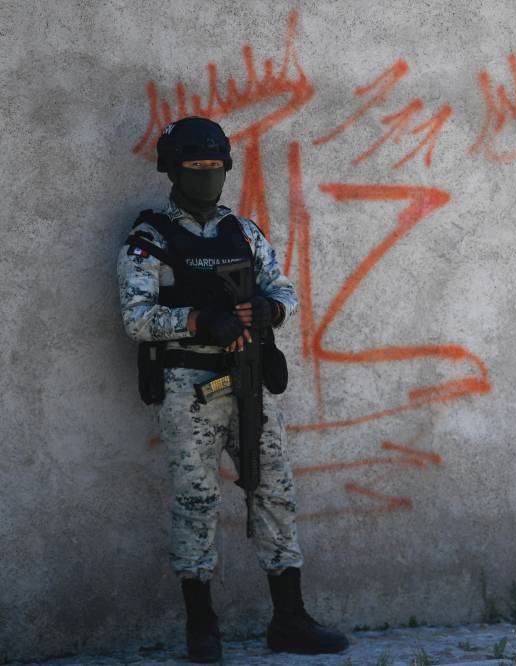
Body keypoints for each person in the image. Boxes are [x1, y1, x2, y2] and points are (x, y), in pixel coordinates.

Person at [117, 116, 349, 663]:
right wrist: (197, 321)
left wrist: (269, 309)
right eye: (194, 166)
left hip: (249, 381)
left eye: (214, 165)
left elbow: (283, 287)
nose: (205, 174)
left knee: (274, 493)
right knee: (196, 502)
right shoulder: (149, 239)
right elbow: (136, 317)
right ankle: (202, 628)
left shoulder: (243, 232)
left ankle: (289, 619)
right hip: (189, 387)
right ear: (172, 170)